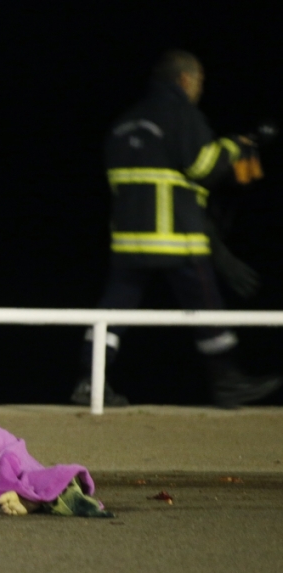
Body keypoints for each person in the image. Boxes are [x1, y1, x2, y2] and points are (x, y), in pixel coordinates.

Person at [71, 50, 281, 409]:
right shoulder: (182, 114)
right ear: (184, 79)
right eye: (199, 81)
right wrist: (234, 147)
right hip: (176, 236)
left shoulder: (125, 122)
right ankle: (228, 381)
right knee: (206, 306)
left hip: (127, 238)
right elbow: (202, 165)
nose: (199, 88)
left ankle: (90, 381)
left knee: (113, 310)